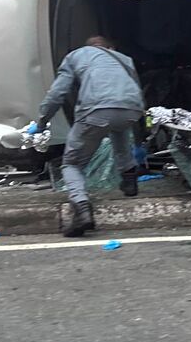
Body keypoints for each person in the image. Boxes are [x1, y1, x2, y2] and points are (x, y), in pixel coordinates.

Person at [35, 36, 145, 237]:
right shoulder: (124, 59)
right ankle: (129, 180)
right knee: (119, 130)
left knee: (71, 164)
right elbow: (136, 90)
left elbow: (57, 93)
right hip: (132, 110)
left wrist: (42, 121)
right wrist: (139, 140)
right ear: (110, 47)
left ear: (88, 48)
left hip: (95, 111)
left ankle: (82, 209)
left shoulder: (76, 56)